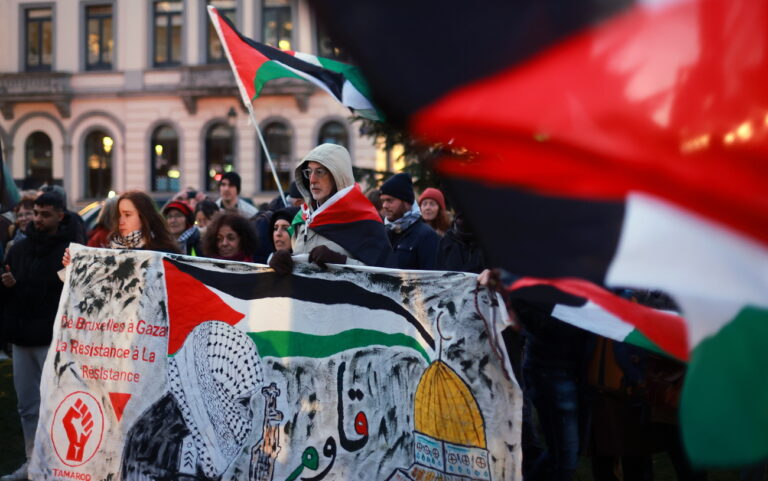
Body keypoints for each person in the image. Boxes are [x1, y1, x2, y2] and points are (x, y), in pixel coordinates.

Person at [0, 193, 72, 481]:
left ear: (60, 217)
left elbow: (66, 295)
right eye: (36, 213)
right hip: (21, 336)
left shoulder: (69, 251)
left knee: (56, 404)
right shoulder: (18, 249)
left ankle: (58, 462)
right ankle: (32, 463)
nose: (38, 219)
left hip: (51, 339)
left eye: (45, 214)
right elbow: (11, 295)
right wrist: (8, 286)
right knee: (27, 405)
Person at [269, 144, 392, 273]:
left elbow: (384, 278)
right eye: (309, 172)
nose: (312, 180)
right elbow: (300, 261)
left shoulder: (365, 221)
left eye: (320, 172)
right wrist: (281, 259)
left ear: (337, 176)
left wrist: (341, 262)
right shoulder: (304, 217)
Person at [380, 173, 439, 270]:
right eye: (383, 201)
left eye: (390, 200)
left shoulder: (427, 236)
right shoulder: (385, 232)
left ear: (406, 203)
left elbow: (431, 279)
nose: (385, 205)